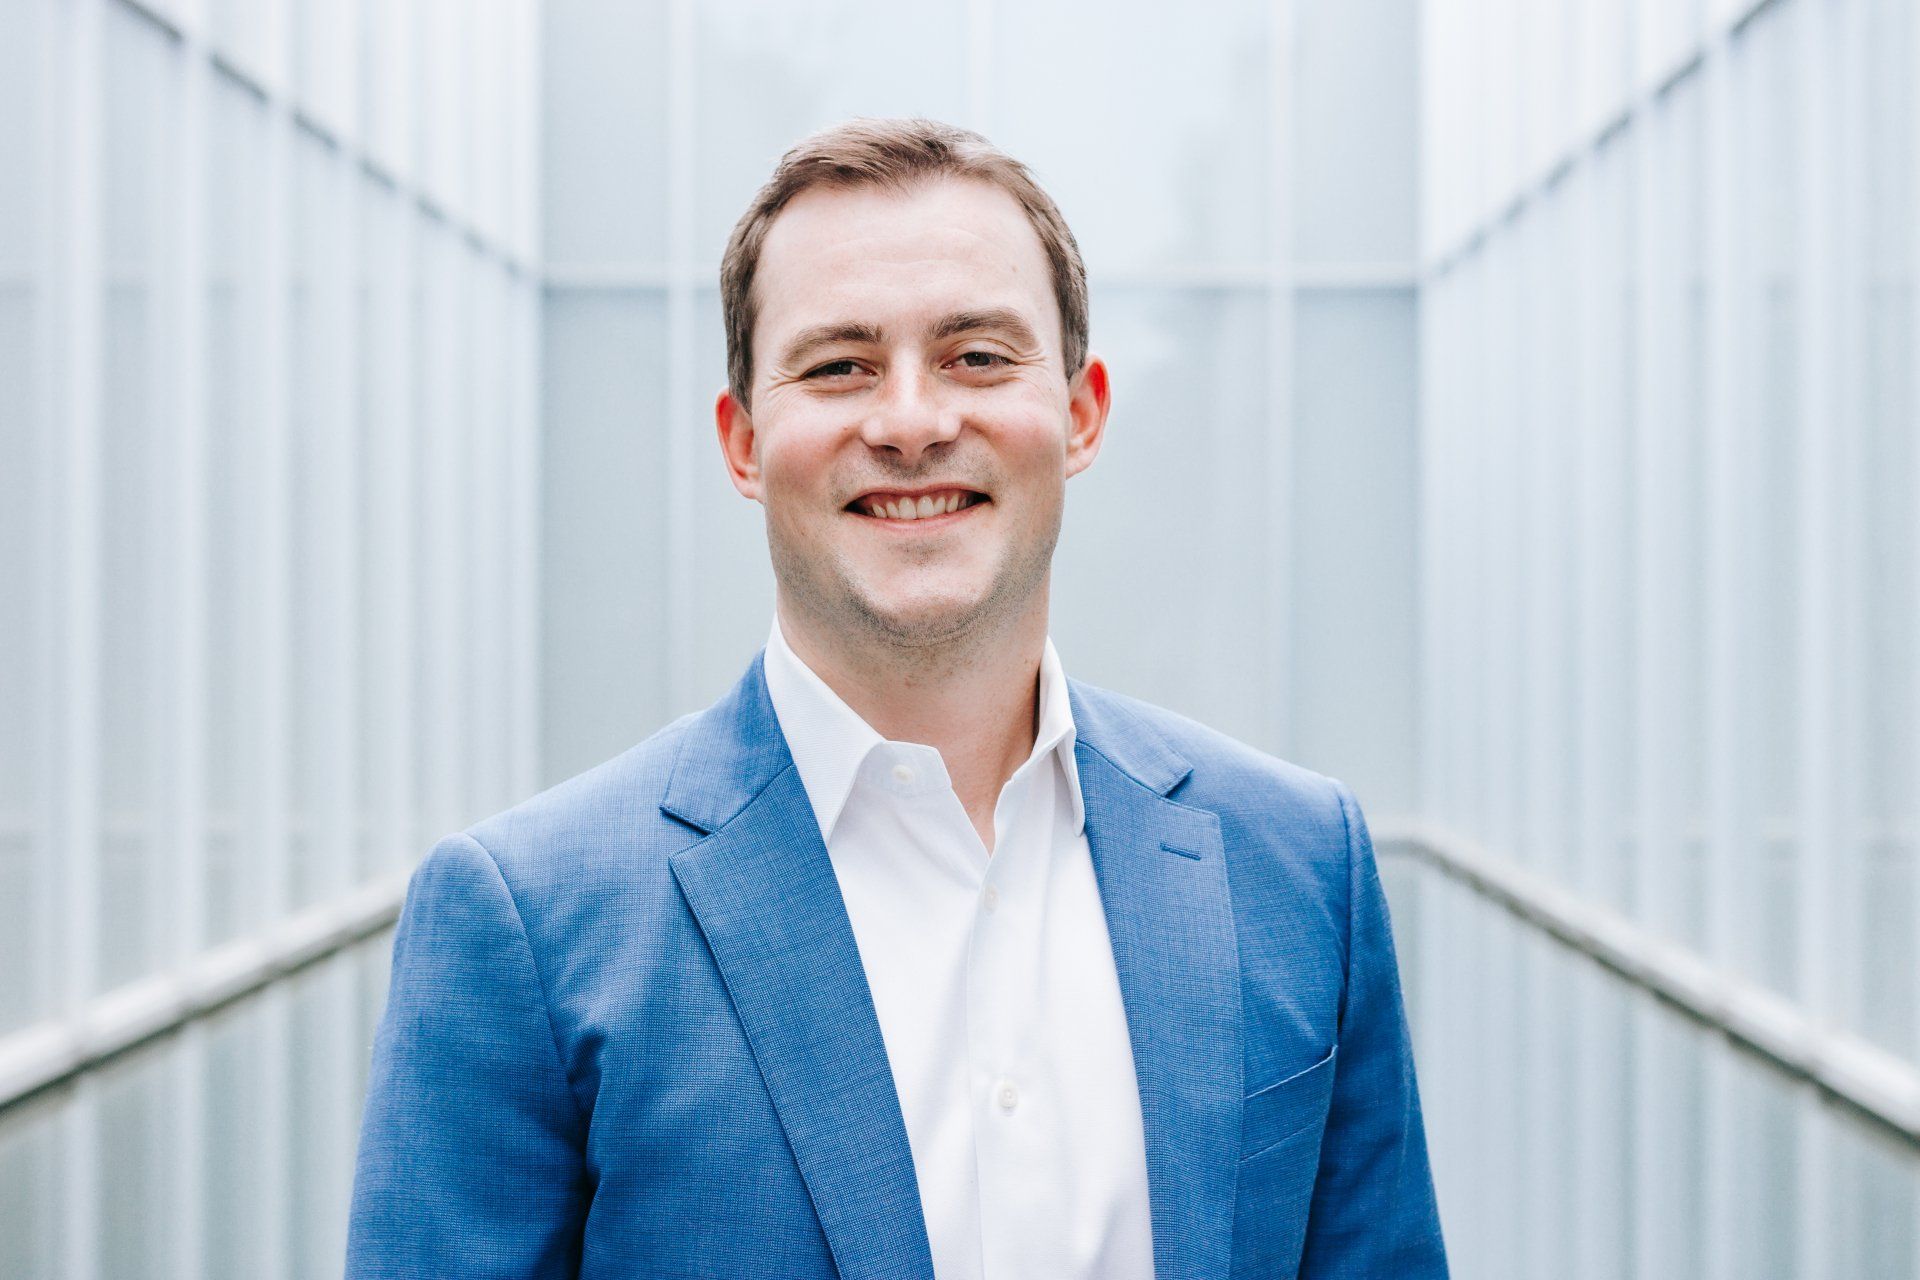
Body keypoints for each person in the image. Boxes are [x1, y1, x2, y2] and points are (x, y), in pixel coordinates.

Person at [346, 117, 1447, 1280]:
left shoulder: (1298, 863)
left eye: (977, 355)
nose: (914, 421)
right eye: (840, 365)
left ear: (1080, 413)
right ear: (744, 440)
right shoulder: (523, 925)